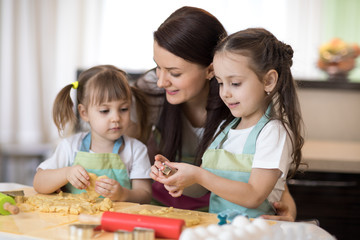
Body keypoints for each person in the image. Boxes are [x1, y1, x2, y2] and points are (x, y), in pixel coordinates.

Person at [132, 6, 296, 220]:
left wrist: (288, 211)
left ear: (211, 69)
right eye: (158, 67)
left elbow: (268, 180)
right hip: (172, 211)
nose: (162, 81)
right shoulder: (153, 89)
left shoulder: (243, 105)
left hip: (223, 220)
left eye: (175, 73)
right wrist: (171, 173)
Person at [33, 65, 152, 203]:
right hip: (76, 220)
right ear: (84, 113)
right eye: (105, 111)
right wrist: (66, 173)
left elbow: (145, 196)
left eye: (124, 109)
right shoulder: (70, 147)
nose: (116, 118)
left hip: (118, 221)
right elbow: (38, 183)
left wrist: (123, 195)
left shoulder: (136, 150)